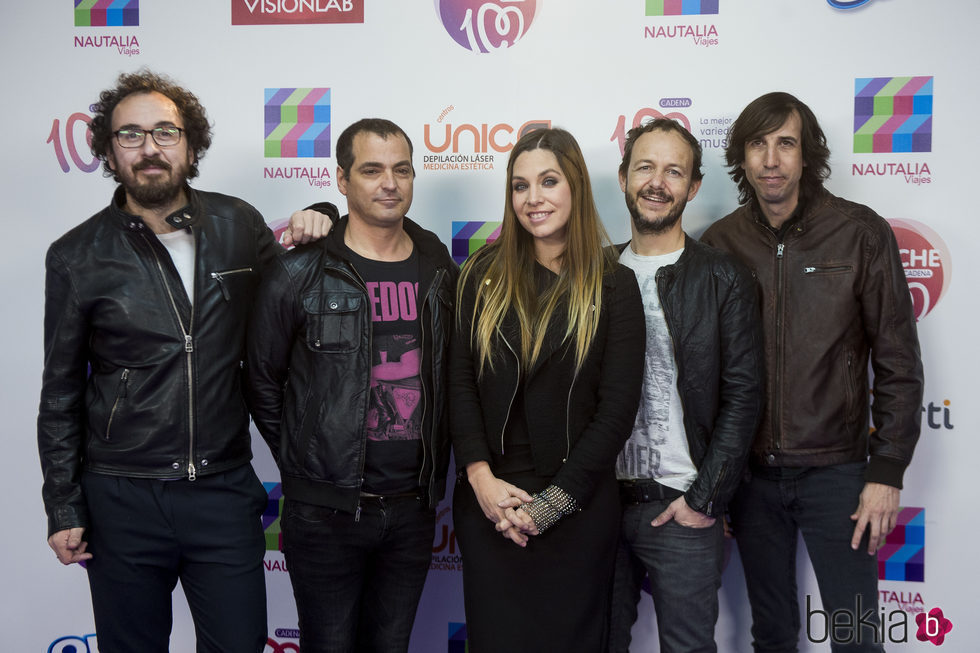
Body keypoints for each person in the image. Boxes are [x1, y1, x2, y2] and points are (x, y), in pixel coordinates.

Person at [37, 70, 331, 653]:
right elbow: (61, 391)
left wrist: (323, 213)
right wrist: (63, 505)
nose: (150, 149)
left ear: (190, 143)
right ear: (108, 150)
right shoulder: (76, 255)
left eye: (166, 132)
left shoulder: (238, 225)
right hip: (122, 498)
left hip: (222, 492)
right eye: (131, 135)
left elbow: (293, 312)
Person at [702, 92, 924, 652]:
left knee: (855, 637)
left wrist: (888, 470)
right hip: (751, 480)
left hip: (840, 476)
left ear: (807, 155)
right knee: (772, 635)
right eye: (758, 144)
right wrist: (717, 479)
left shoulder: (859, 232)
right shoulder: (720, 244)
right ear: (742, 157)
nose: (771, 160)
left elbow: (898, 359)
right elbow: (703, 374)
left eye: (785, 143)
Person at [244, 118, 458, 653]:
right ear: (341, 180)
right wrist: (305, 456)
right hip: (326, 513)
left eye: (401, 170)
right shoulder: (299, 271)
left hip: (412, 509)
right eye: (372, 170)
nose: (390, 183)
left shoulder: (437, 267)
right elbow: (263, 380)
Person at [450, 127, 645, 652]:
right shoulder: (478, 275)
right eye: (520, 185)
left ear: (576, 187)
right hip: (490, 506)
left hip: (575, 510)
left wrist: (551, 506)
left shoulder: (613, 283)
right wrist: (482, 482)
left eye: (549, 181)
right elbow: (459, 383)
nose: (533, 199)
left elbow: (617, 411)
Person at [607, 119, 764, 653]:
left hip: (683, 507)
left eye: (674, 171)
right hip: (598, 506)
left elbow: (744, 396)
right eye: (645, 167)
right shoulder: (593, 272)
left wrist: (705, 499)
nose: (657, 182)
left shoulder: (724, 277)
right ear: (623, 177)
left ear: (693, 187)